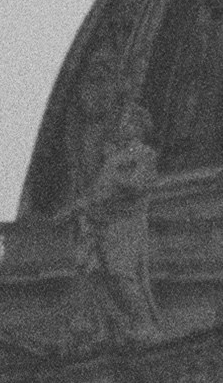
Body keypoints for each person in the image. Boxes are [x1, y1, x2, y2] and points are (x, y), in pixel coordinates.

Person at [69, 102, 165, 345]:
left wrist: (116, 182)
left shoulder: (144, 154)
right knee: (103, 273)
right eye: (123, 121)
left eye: (129, 122)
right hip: (102, 222)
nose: (123, 126)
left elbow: (139, 185)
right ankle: (117, 323)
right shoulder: (114, 157)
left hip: (125, 222)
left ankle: (143, 323)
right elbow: (97, 191)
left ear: (140, 128)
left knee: (121, 273)